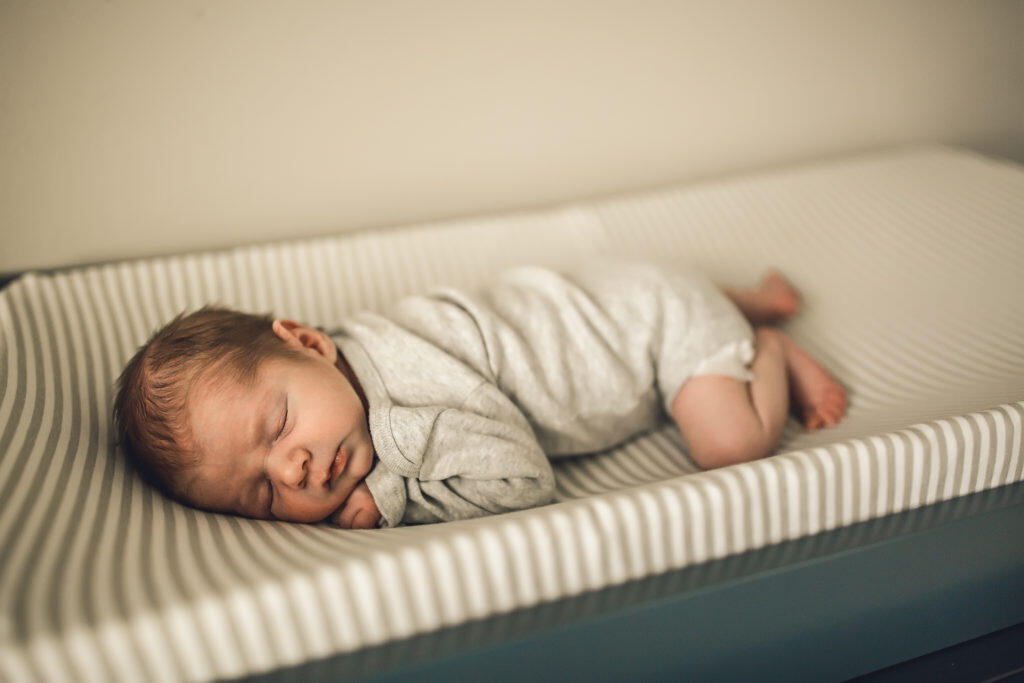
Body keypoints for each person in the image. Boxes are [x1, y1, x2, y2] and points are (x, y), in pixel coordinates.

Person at [113, 259, 847, 529]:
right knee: (665, 295)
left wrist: (398, 492)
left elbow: (525, 478)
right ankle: (746, 300)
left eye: (278, 425)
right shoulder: (341, 382)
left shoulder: (406, 379)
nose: (294, 470)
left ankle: (766, 346)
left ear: (310, 342)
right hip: (622, 295)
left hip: (652, 323)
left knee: (731, 445)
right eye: (261, 495)